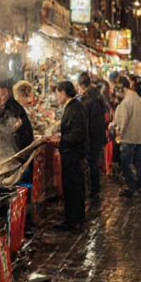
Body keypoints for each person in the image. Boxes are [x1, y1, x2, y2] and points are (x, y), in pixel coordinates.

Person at [53, 81, 89, 231]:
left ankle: (73, 220)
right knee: (74, 187)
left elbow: (77, 133)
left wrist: (61, 138)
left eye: (57, 93)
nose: (56, 97)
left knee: (72, 187)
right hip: (73, 154)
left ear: (63, 92)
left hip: (73, 154)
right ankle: (76, 218)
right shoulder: (75, 106)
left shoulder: (74, 108)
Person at [111, 75, 141, 198]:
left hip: (128, 138)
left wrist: (118, 133)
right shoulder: (138, 99)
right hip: (140, 137)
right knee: (138, 161)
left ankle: (131, 186)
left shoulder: (125, 102)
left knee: (125, 163)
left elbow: (123, 122)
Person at [78, 73, 108, 200]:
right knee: (93, 161)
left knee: (92, 162)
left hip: (92, 135)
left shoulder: (88, 99)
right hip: (98, 134)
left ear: (81, 85)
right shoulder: (97, 94)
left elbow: (87, 120)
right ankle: (95, 187)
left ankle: (94, 188)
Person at [0, 80, 35, 156]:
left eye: (2, 94)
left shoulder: (16, 109)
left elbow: (27, 140)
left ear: (8, 94)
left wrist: (13, 132)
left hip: (12, 156)